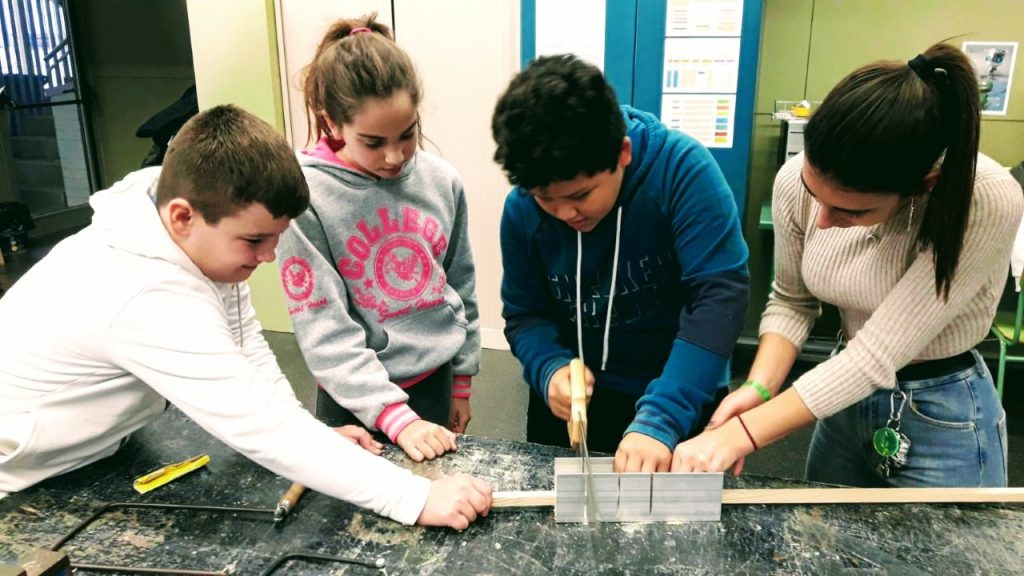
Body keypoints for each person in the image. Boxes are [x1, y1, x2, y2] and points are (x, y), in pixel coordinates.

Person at [0, 105, 492, 529]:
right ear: (183, 216)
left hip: (90, 449)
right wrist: (415, 497)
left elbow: (247, 346)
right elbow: (255, 421)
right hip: (22, 481)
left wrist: (307, 431)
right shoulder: (142, 292)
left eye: (274, 237)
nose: (269, 256)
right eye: (254, 240)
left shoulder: (187, 227)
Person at [673, 43, 1024, 488]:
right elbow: (792, 301)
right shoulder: (795, 179)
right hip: (841, 397)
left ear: (923, 185)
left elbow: (878, 353)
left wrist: (742, 433)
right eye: (814, 194)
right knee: (822, 530)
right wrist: (758, 388)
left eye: (850, 212)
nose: (822, 220)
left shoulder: (984, 199)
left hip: (942, 411)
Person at [492, 54, 750, 472]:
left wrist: (663, 417)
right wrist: (549, 368)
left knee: (677, 513)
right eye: (545, 199)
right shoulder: (521, 209)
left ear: (623, 153)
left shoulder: (682, 171)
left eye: (580, 195)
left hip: (681, 388)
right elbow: (525, 314)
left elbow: (719, 300)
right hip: (577, 404)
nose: (565, 213)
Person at [277, 15, 480, 463]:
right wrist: (395, 417)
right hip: (355, 392)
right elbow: (323, 327)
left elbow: (460, 282)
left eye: (407, 134)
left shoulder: (443, 181)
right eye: (372, 142)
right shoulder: (305, 196)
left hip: (436, 378)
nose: (394, 156)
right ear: (332, 123)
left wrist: (462, 381)